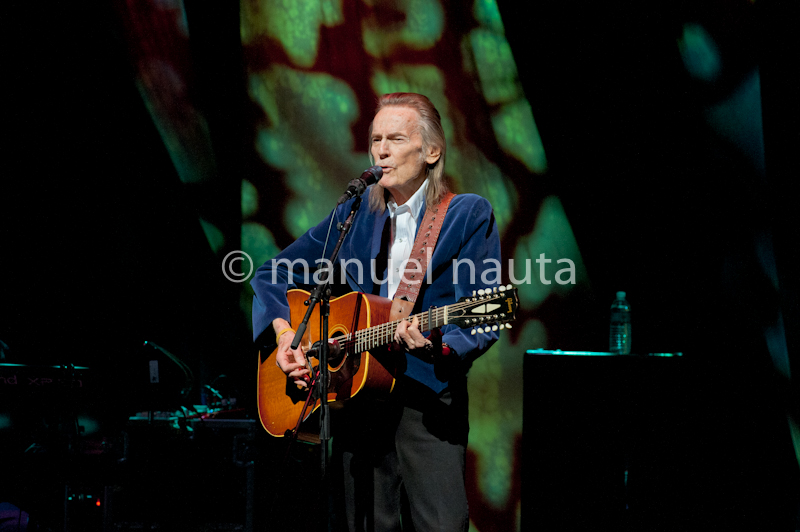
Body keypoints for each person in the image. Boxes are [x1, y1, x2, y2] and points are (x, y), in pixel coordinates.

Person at [251, 92, 501, 531]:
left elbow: (481, 314)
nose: (381, 150)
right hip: (358, 398)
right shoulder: (357, 214)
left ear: (431, 151)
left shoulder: (466, 214)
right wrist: (284, 334)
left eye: (396, 138)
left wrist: (438, 346)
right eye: (375, 139)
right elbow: (273, 272)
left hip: (428, 400)